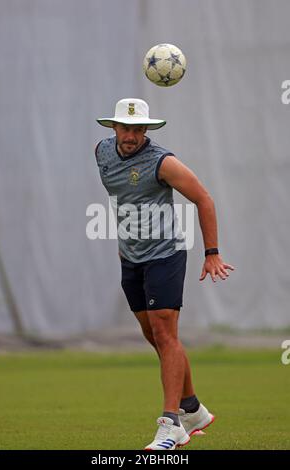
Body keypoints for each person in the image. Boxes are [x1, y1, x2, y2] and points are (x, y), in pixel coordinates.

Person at [95, 98, 235, 450]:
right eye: (125, 128)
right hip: (131, 258)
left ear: (147, 130)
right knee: (156, 336)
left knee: (164, 330)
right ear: (114, 128)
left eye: (138, 129)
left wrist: (212, 253)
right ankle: (192, 408)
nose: (131, 135)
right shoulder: (101, 152)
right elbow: (124, 198)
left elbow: (204, 198)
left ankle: (171, 423)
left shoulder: (162, 161)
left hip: (165, 255)